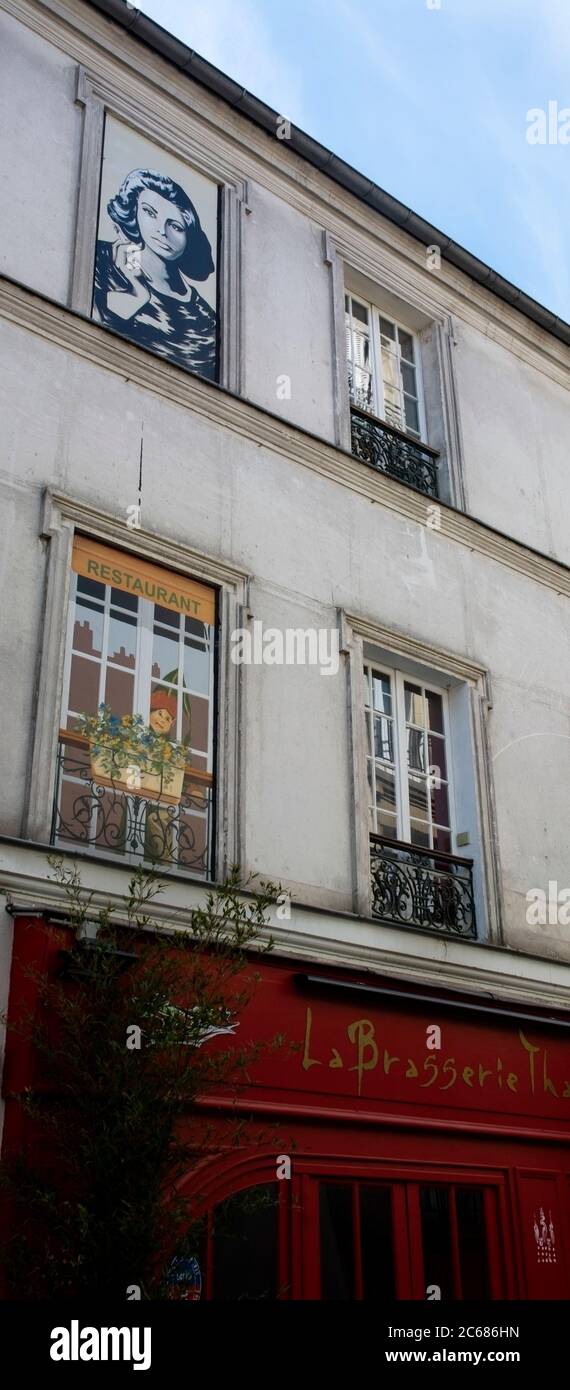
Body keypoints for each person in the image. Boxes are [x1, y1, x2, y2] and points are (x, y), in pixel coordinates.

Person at [93, 169, 217, 379]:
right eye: (150, 213)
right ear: (134, 212)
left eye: (175, 226)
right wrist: (133, 297)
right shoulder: (101, 260)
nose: (162, 231)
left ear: (189, 237)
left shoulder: (206, 322)